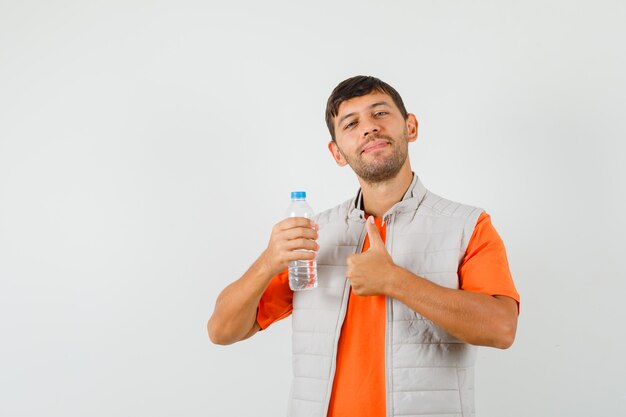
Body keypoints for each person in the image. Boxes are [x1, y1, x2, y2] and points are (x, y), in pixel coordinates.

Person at [208, 75, 520, 417]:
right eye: (352, 123)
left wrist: (394, 281)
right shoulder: (315, 235)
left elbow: (501, 329)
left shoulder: (468, 226)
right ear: (337, 153)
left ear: (411, 127)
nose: (369, 128)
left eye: (380, 114)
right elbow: (222, 330)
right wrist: (268, 262)